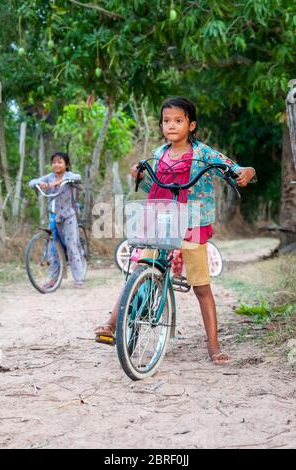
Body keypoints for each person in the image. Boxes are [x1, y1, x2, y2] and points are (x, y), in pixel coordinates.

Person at [94, 97, 256, 364]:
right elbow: (154, 190)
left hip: (192, 224)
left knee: (201, 287)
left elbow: (233, 168)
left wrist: (245, 172)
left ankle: (214, 346)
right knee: (139, 268)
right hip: (161, 221)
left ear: (191, 125)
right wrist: (140, 177)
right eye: (166, 121)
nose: (171, 125)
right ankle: (112, 324)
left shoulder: (203, 153)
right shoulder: (158, 155)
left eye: (178, 120)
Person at [29, 152, 85, 289]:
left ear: (66, 164)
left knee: (72, 246)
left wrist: (62, 181)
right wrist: (40, 183)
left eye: (60, 162)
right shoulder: (49, 177)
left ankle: (79, 278)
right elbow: (31, 182)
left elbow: (78, 178)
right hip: (54, 216)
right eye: (54, 162)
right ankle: (54, 278)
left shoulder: (69, 176)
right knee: (52, 248)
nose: (56, 165)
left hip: (69, 216)